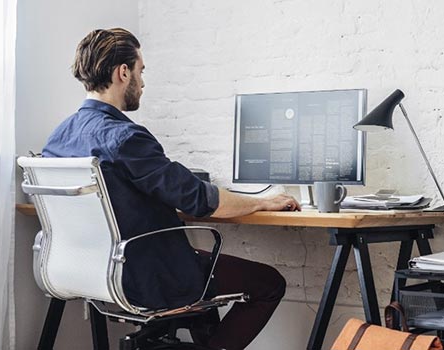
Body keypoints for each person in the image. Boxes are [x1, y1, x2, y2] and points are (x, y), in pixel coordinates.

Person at [42, 28, 300, 350]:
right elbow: (199, 201)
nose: (143, 82)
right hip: (144, 275)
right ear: (123, 73)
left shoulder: (59, 136)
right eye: (141, 71)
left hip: (89, 270)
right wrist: (263, 202)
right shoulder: (125, 137)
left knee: (199, 282)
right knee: (269, 283)